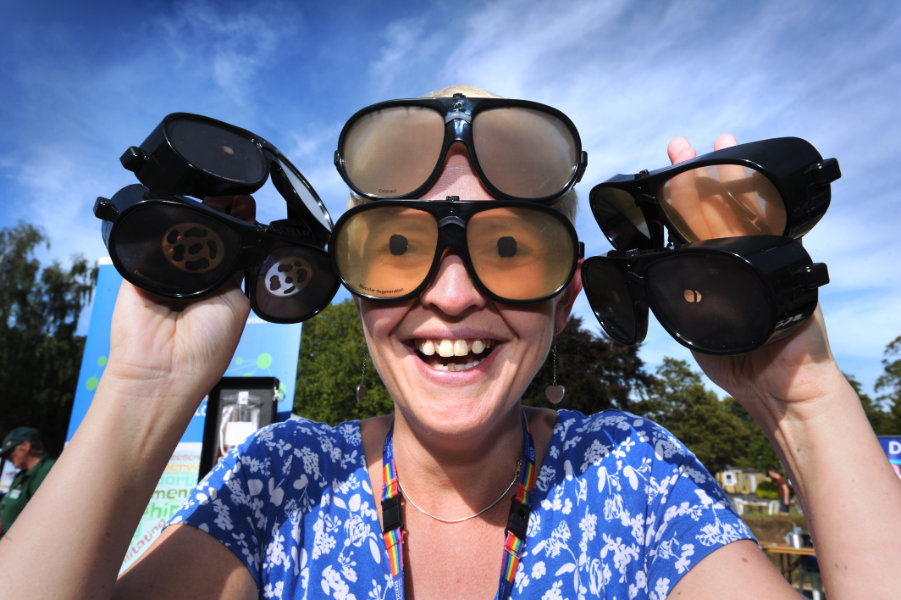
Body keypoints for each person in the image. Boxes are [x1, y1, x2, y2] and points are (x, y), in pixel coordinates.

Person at [0, 84, 899, 599]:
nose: (454, 293)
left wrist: (803, 398)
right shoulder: (284, 485)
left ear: (564, 300)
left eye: (510, 249)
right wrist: (144, 391)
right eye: (399, 247)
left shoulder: (632, 483)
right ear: (355, 295)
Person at [0, 427, 55, 537]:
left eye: (10, 452)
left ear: (25, 447)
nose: (7, 458)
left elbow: (44, 517)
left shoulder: (48, 472)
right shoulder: (21, 475)